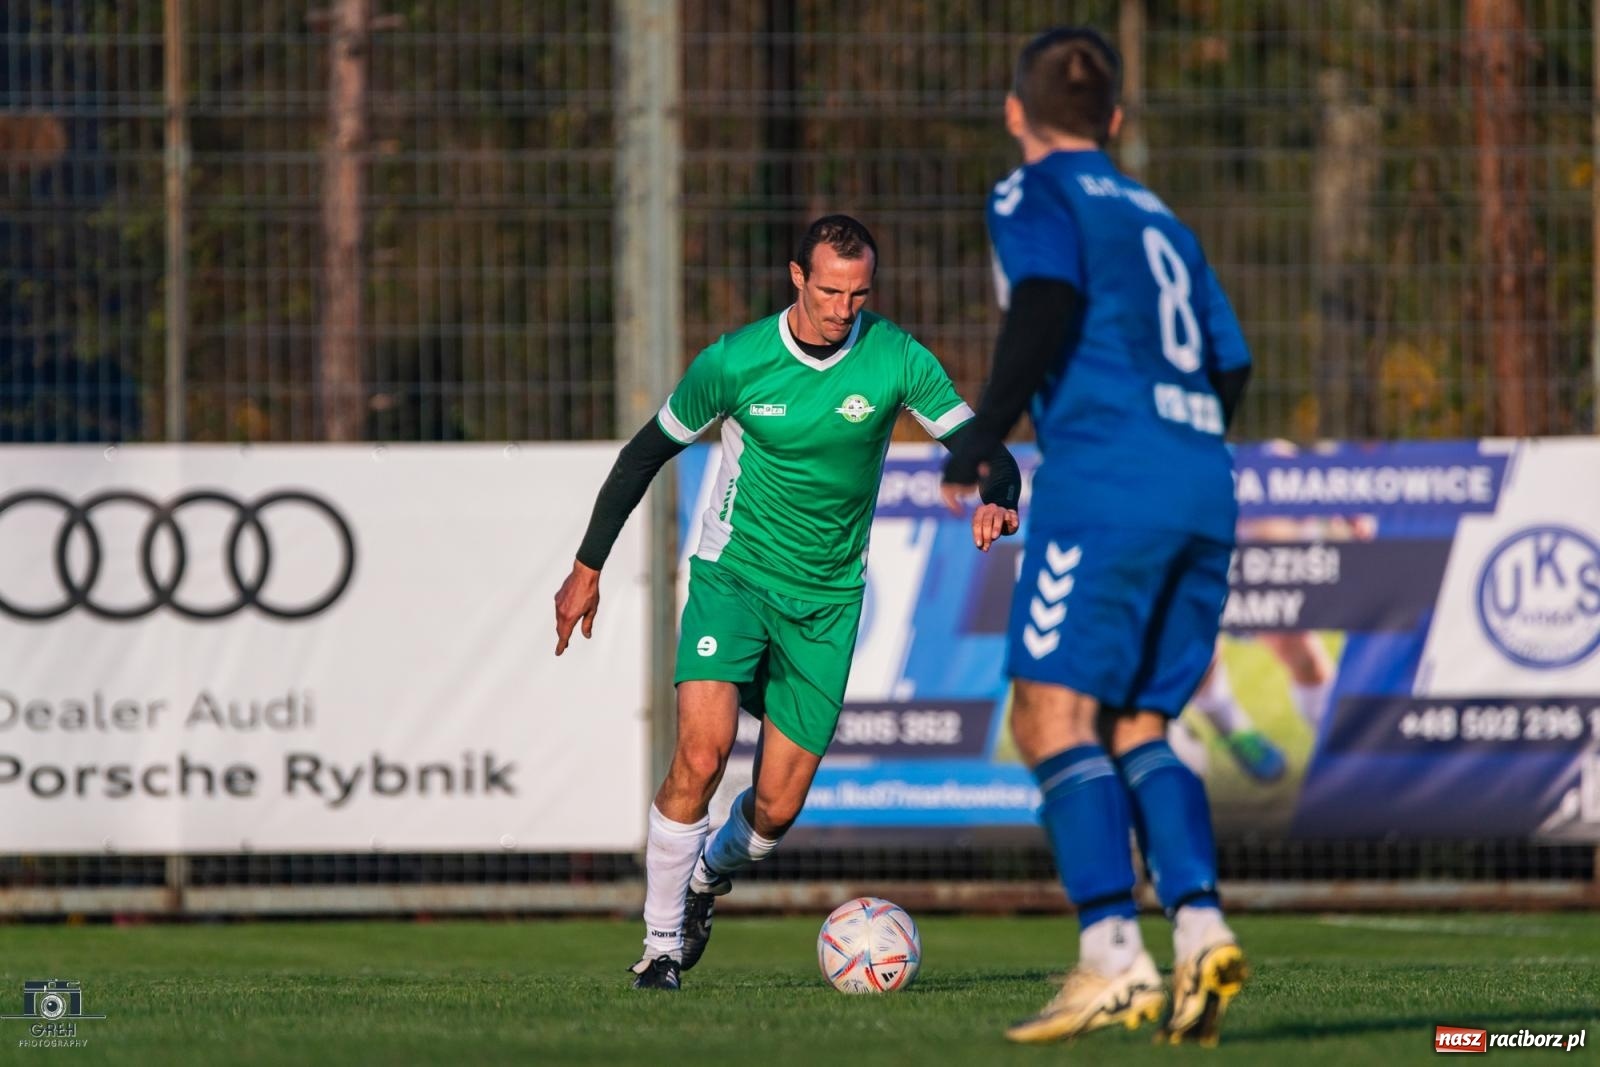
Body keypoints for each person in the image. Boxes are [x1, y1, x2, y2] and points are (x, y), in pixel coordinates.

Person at [555, 215, 1022, 991]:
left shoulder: (895, 356)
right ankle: (661, 945)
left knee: (773, 808)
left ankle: (707, 875)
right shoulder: (735, 361)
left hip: (826, 600)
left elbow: (987, 451)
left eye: (859, 292)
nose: (844, 309)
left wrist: (998, 496)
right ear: (797, 277)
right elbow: (644, 453)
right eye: (831, 290)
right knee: (701, 754)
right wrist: (587, 566)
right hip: (731, 575)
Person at [941, 28, 1252, 1046]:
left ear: (1013, 112)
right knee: (1136, 724)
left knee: (1047, 714)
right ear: (1114, 120)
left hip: (1107, 477)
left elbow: (1047, 297)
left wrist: (982, 433)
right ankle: (1200, 925)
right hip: (1202, 479)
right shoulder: (1162, 215)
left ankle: (1112, 955)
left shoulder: (1030, 193)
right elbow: (1230, 361)